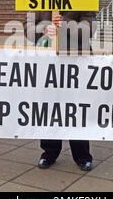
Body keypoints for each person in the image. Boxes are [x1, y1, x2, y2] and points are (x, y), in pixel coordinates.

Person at [24, 11, 95, 171]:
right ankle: (49, 152)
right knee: (49, 109)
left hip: (76, 61)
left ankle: (82, 155)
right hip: (47, 63)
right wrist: (42, 29)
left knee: (76, 109)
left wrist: (65, 24)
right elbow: (27, 28)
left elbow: (89, 29)